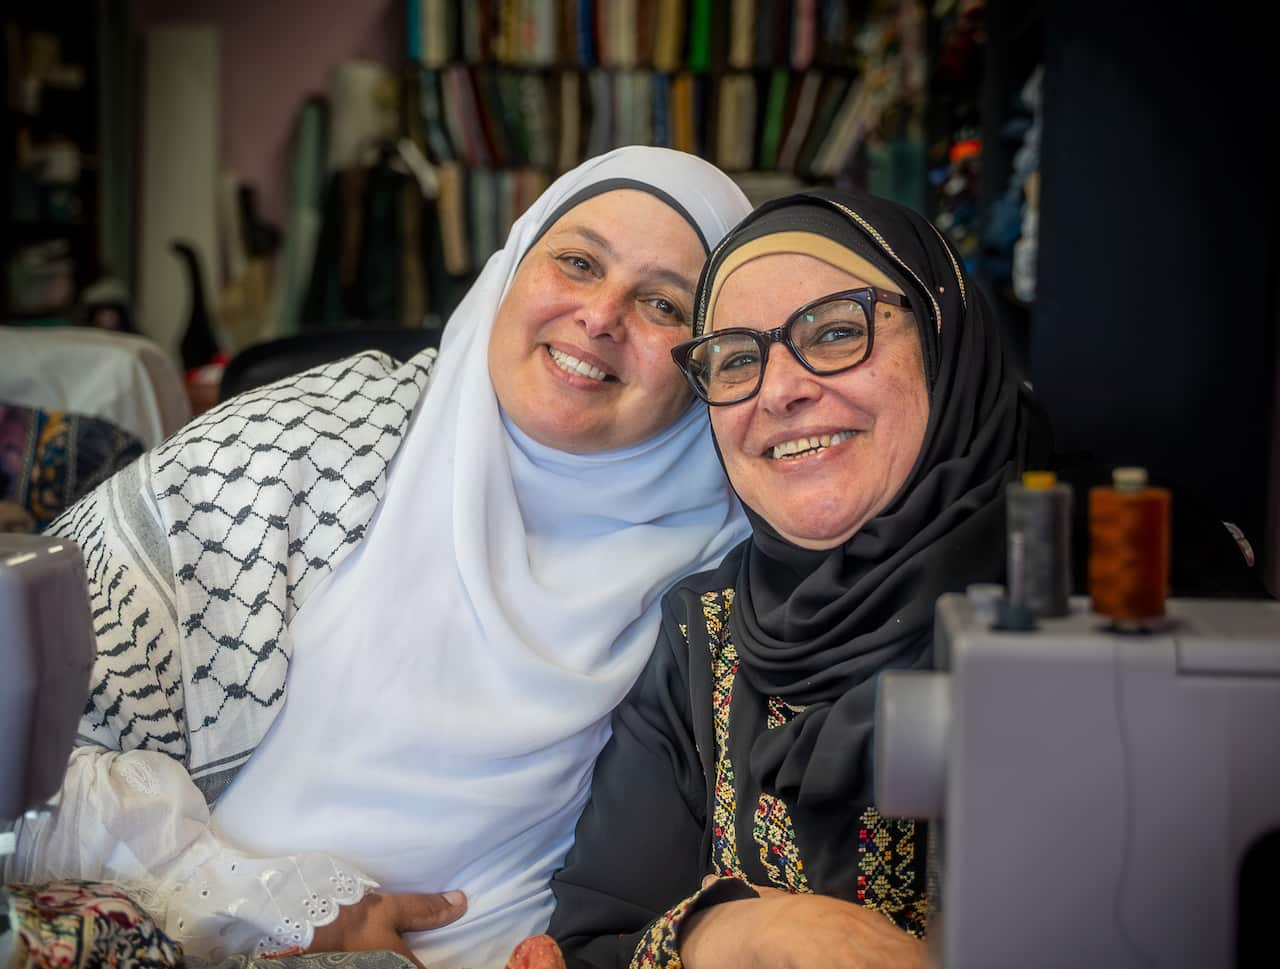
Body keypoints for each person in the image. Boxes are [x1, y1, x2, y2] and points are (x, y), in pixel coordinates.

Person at [5, 147, 754, 969]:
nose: (602, 315)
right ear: (511, 266)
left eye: (662, 303)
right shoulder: (300, 447)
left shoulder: (730, 570)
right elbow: (19, 744)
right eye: (577, 262)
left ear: (709, 362)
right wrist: (261, 903)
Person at [538, 187, 1051, 969]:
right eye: (739, 357)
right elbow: (591, 945)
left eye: (838, 331)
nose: (780, 390)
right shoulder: (702, 635)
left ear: (946, 341)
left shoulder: (1128, 586)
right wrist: (727, 932)